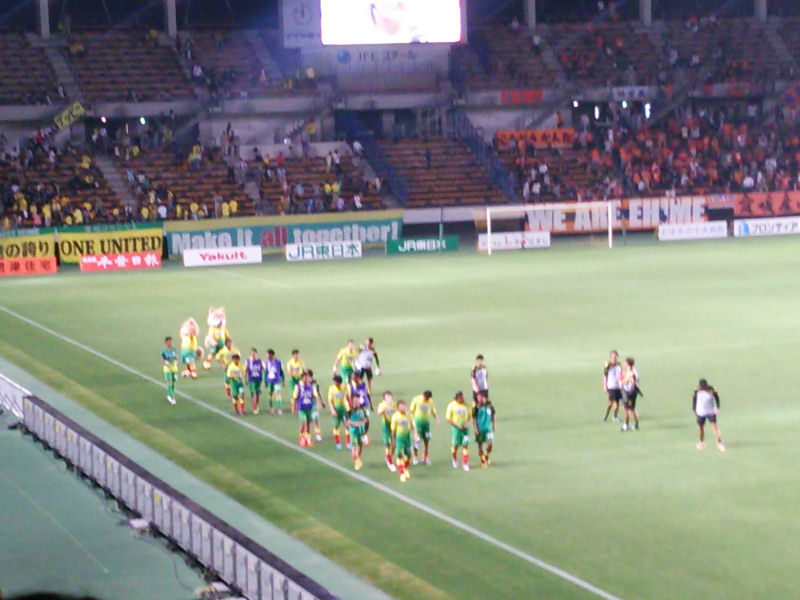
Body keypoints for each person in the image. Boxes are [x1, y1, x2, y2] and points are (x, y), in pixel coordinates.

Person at [693, 379, 725, 452]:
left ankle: (720, 443)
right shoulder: (697, 391)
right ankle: (701, 441)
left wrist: (718, 408)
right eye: (702, 387)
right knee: (701, 428)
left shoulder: (711, 390)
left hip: (711, 412)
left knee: (714, 427)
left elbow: (717, 398)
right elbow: (694, 400)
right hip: (701, 412)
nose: (703, 388)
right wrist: (694, 409)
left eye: (704, 386)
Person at [293, 371, 322, 447]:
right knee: (304, 422)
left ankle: (308, 438)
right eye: (305, 378)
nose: (306, 379)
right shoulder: (298, 386)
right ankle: (302, 438)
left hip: (309, 408)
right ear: (302, 378)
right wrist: (294, 407)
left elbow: (315, 396)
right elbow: (295, 397)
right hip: (301, 408)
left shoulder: (311, 386)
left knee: (308, 423)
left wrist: (318, 404)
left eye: (307, 378)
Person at [410, 390, 439, 465]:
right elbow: (411, 411)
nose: (427, 399)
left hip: (426, 424)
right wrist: (412, 422)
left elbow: (433, 411)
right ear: (423, 395)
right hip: (418, 423)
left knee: (426, 441)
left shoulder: (430, 401)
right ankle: (415, 457)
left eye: (428, 398)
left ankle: (425, 458)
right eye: (426, 398)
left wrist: (437, 420)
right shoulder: (416, 399)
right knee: (417, 440)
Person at [390, 399, 416, 482]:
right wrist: (393, 441)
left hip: (407, 437)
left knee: (408, 455)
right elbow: (393, 431)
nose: (403, 408)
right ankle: (401, 473)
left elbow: (412, 426)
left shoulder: (409, 415)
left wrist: (415, 435)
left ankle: (405, 468)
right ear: (398, 408)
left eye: (404, 406)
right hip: (399, 437)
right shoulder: (395, 417)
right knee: (399, 455)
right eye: (401, 406)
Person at [445, 391, 471, 471]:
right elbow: (448, 419)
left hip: (465, 429)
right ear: (458, 398)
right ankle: (454, 458)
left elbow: (470, 417)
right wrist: (457, 426)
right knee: (455, 446)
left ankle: (465, 463)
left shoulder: (467, 406)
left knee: (465, 445)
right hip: (456, 429)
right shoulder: (451, 406)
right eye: (462, 398)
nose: (464, 399)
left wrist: (467, 424)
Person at [346, 391, 368, 470]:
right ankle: (356, 460)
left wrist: (365, 432)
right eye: (354, 401)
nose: (356, 403)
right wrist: (357, 424)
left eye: (357, 401)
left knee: (360, 445)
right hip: (353, 431)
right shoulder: (349, 411)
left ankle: (358, 458)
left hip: (361, 431)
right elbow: (348, 423)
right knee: (355, 446)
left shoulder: (362, 410)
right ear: (352, 401)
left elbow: (366, 420)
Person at [349, 371, 372, 445]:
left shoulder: (364, 384)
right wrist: (352, 405)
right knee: (357, 420)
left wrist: (371, 404)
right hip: (356, 406)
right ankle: (358, 435)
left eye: (354, 377)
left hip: (365, 405)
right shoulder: (351, 386)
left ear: (358, 377)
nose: (352, 379)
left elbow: (367, 394)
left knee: (367, 421)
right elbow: (350, 396)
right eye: (352, 377)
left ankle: (365, 433)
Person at [473, 393, 496, 467]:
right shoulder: (476, 408)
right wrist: (475, 428)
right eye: (478, 398)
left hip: (488, 429)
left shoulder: (490, 406)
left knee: (490, 445)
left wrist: (494, 425)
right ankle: (482, 460)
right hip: (480, 429)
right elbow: (474, 419)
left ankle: (486, 455)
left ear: (485, 398)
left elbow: (493, 416)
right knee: (480, 446)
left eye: (481, 397)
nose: (479, 399)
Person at [376, 391, 397, 471]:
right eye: (387, 397)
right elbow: (379, 413)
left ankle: (388, 457)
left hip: (393, 426)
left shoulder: (394, 404)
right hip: (386, 427)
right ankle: (390, 462)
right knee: (388, 444)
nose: (389, 398)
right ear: (384, 398)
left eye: (390, 396)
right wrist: (385, 408)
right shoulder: (382, 405)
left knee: (394, 445)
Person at [328, 374, 350, 450]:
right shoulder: (331, 389)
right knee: (336, 426)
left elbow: (347, 397)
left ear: (338, 383)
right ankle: (338, 443)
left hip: (343, 409)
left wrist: (349, 406)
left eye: (335, 382)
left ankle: (348, 443)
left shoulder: (344, 387)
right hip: (336, 409)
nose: (333, 383)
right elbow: (330, 401)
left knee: (347, 425)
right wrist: (332, 409)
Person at [620, 357, 640, 431]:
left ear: (628, 364)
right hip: (631, 392)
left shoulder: (631, 373)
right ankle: (635, 425)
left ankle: (626, 425)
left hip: (629, 393)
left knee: (627, 409)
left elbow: (628, 381)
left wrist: (627, 379)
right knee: (631, 409)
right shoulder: (632, 371)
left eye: (625, 363)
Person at [603, 350, 622, 422]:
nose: (614, 358)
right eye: (613, 356)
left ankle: (615, 416)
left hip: (618, 386)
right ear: (611, 357)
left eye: (615, 356)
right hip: (611, 386)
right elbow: (605, 376)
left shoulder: (619, 365)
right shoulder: (608, 365)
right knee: (611, 402)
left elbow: (620, 374)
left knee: (617, 403)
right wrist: (605, 386)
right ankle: (607, 413)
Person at [264, 349, 285, 414]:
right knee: (270, 395)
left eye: (268, 356)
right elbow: (266, 372)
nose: (267, 357)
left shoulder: (279, 362)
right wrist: (265, 382)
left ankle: (279, 409)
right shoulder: (267, 362)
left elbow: (282, 372)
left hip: (277, 381)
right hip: (270, 381)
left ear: (272, 355)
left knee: (278, 394)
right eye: (267, 356)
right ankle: (271, 408)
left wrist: (283, 381)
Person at [306, 369, 325, 441]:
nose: (306, 377)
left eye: (307, 376)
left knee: (316, 419)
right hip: (306, 404)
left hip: (314, 404)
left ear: (310, 376)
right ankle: (308, 435)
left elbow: (319, 392)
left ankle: (318, 434)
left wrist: (322, 401)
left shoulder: (314, 385)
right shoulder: (303, 384)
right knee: (307, 421)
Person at [246, 348, 264, 415]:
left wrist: (264, 379)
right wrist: (245, 379)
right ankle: (254, 407)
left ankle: (256, 405)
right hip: (251, 380)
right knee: (252, 393)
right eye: (252, 353)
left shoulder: (259, 361)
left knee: (257, 393)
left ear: (256, 353)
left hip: (258, 380)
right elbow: (246, 370)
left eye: (254, 353)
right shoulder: (248, 361)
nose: (253, 354)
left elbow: (263, 368)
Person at [161, 336, 178, 405]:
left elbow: (176, 358)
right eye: (169, 341)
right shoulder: (164, 351)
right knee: (169, 383)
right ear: (166, 342)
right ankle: (172, 398)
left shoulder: (174, 349)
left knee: (173, 382)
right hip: (167, 368)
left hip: (174, 368)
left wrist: (176, 362)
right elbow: (162, 361)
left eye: (171, 341)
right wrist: (166, 362)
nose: (170, 342)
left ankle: (169, 395)